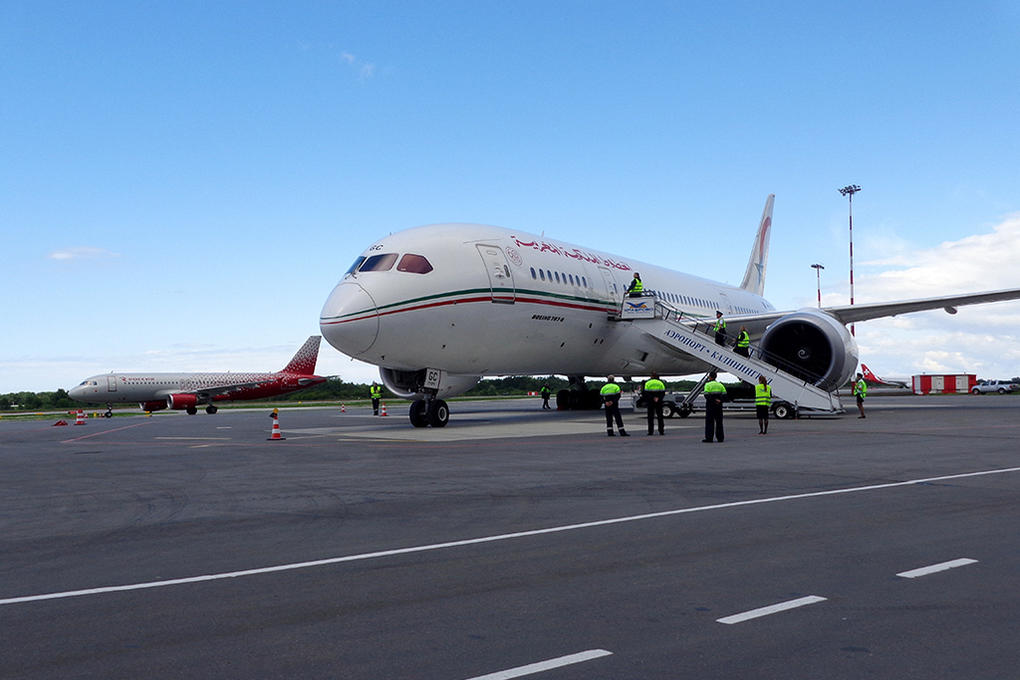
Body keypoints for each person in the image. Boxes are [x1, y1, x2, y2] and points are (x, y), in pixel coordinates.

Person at [703, 371, 727, 442]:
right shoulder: (720, 385)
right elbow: (725, 395)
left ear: (710, 377)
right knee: (719, 422)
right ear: (716, 377)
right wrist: (720, 400)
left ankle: (709, 438)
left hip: (710, 406)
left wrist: (714, 400)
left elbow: (706, 395)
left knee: (710, 422)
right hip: (719, 406)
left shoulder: (707, 385)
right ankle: (720, 438)